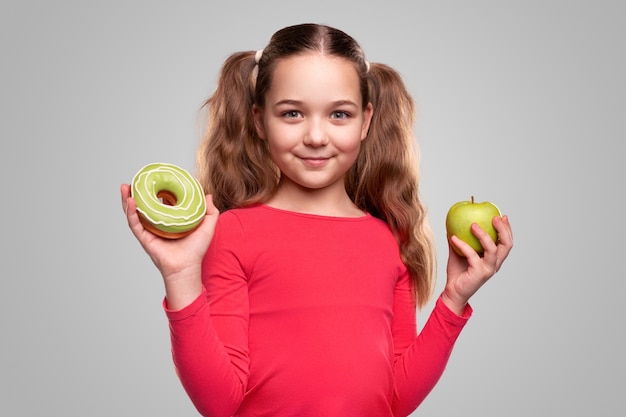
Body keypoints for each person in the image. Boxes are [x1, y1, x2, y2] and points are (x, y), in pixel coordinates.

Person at [120, 23, 513, 417]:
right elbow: (219, 404)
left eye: (339, 114)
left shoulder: (389, 239)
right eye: (292, 113)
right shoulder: (230, 233)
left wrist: (454, 299)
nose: (315, 135)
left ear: (366, 120)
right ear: (259, 120)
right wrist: (180, 276)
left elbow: (395, 400)